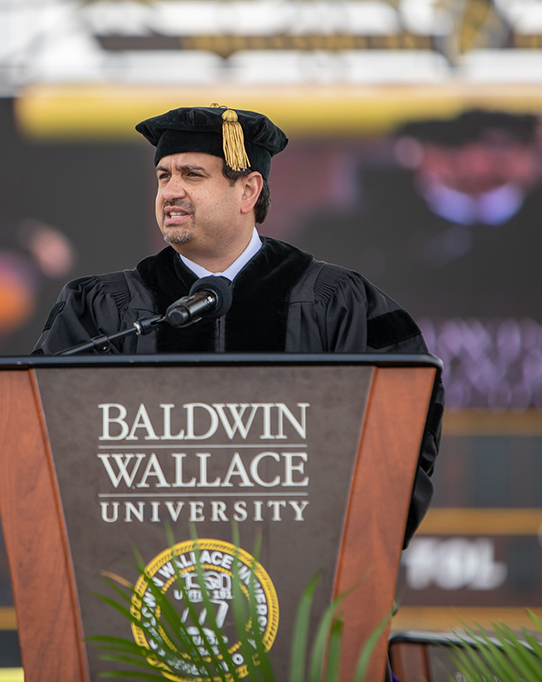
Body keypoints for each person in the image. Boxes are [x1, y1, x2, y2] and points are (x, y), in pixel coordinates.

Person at [33, 105, 442, 545]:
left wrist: (356, 529)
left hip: (301, 562)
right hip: (140, 564)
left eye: (192, 175)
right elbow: (49, 430)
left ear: (248, 190)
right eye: (163, 177)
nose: (170, 191)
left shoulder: (335, 301)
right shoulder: (104, 307)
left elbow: (403, 421)